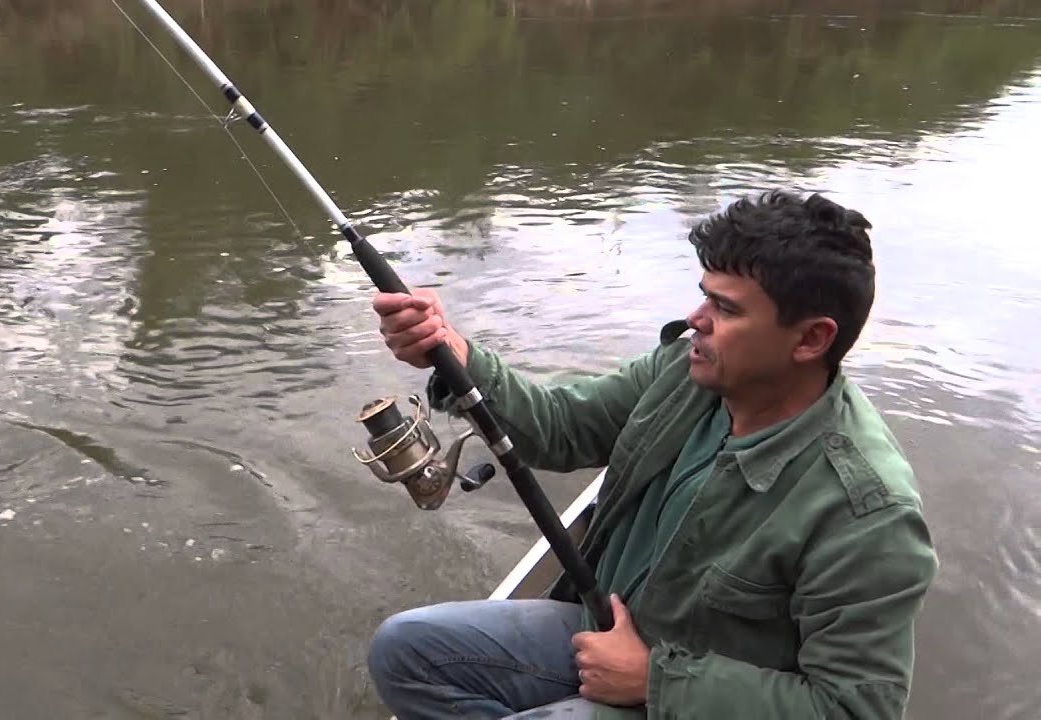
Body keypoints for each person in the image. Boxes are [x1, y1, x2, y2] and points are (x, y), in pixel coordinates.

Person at [364, 190, 939, 720]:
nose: (697, 320)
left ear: (811, 339)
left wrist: (657, 682)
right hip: (605, 633)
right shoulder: (687, 373)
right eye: (703, 295)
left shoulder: (867, 513)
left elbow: (853, 709)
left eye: (727, 309)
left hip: (689, 698)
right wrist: (453, 352)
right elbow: (562, 426)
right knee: (404, 650)